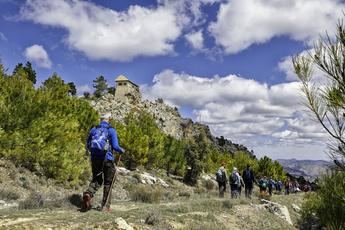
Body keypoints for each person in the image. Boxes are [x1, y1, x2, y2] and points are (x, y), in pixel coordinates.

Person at [81, 112, 125, 212]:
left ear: (101, 119)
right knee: (108, 182)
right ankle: (105, 206)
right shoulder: (111, 130)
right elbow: (115, 146)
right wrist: (121, 150)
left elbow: (88, 145)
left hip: (95, 159)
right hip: (107, 159)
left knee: (96, 179)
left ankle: (88, 193)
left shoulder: (94, 129)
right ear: (109, 119)